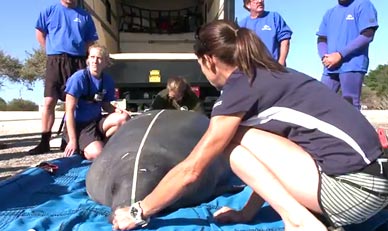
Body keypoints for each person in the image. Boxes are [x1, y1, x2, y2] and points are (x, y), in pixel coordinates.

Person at [111, 20, 388, 231]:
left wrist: (138, 211)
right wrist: (247, 213)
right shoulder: (276, 75)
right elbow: (270, 166)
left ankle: (299, 221)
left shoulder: (239, 88)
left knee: (229, 140)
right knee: (241, 136)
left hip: (352, 193)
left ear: (208, 61)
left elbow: (193, 168)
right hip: (377, 186)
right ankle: (298, 216)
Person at [29, 0, 99, 155]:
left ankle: (68, 139)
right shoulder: (49, 10)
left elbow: (90, 41)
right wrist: (50, 50)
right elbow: (40, 32)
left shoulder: (85, 16)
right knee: (49, 101)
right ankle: (44, 142)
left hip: (78, 61)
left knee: (77, 102)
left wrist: (86, 59)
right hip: (55, 60)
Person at [63, 44, 130, 160]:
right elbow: (69, 110)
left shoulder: (107, 80)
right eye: (92, 57)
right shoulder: (79, 78)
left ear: (105, 62)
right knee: (97, 154)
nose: (95, 61)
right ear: (87, 60)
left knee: (124, 118)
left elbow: (106, 105)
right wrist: (72, 140)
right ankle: (81, 146)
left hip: (95, 122)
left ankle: (100, 144)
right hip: (79, 126)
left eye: (99, 58)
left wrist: (118, 111)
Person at [317, 0, 378, 110]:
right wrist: (324, 57)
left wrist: (340, 54)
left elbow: (368, 34)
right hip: (330, 66)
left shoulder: (363, 4)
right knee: (321, 102)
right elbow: (321, 38)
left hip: (352, 64)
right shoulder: (330, 13)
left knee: (350, 106)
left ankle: (357, 127)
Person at [238, 0, 292, 66]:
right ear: (248, 4)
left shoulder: (274, 17)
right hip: (253, 71)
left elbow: (285, 40)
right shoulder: (242, 25)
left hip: (275, 69)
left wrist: (281, 63)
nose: (260, 1)